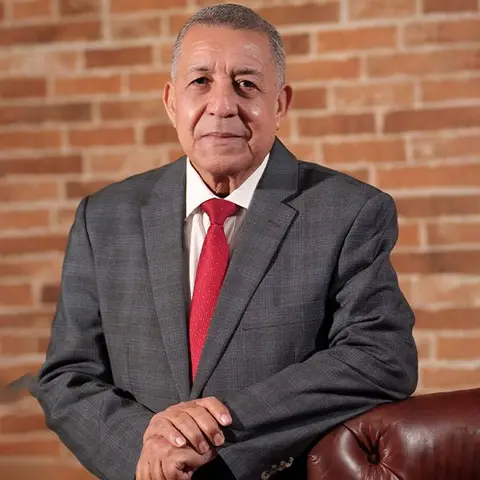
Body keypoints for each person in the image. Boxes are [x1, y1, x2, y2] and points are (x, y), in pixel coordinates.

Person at [31, 3, 418, 480]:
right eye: (200, 82)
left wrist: (212, 428)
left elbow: (381, 356)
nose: (222, 105)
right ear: (171, 101)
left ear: (280, 104)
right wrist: (146, 446)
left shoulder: (349, 211)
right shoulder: (104, 218)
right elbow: (67, 376)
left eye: (246, 84)